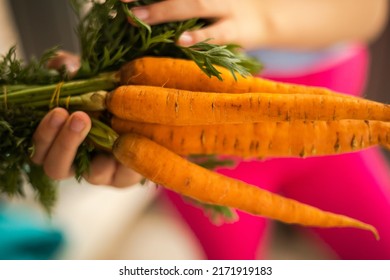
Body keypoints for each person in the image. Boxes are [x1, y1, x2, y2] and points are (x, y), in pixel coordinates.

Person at [33, 0, 390, 259]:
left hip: (335, 140)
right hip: (200, 151)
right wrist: (92, 91)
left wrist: (261, 16)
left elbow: (368, 10)